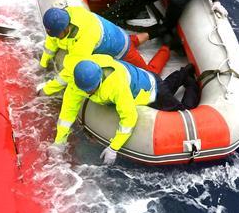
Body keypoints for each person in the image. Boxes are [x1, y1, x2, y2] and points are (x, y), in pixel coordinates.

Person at [52, 54, 199, 165]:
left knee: (182, 111)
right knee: (167, 87)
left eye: (91, 90)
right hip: (147, 79)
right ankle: (183, 72)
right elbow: (67, 112)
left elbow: (129, 118)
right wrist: (59, 142)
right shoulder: (79, 82)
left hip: (150, 91)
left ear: (99, 80)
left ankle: (191, 82)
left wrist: (113, 148)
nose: (88, 93)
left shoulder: (116, 85)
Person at [38, 3, 169, 95]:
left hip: (123, 51)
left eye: (57, 34)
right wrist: (42, 64)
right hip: (116, 34)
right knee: (132, 40)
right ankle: (158, 31)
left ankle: (167, 47)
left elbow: (69, 72)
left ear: (66, 28)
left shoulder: (84, 40)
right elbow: (52, 40)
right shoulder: (68, 13)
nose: (54, 36)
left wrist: (46, 90)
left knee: (150, 75)